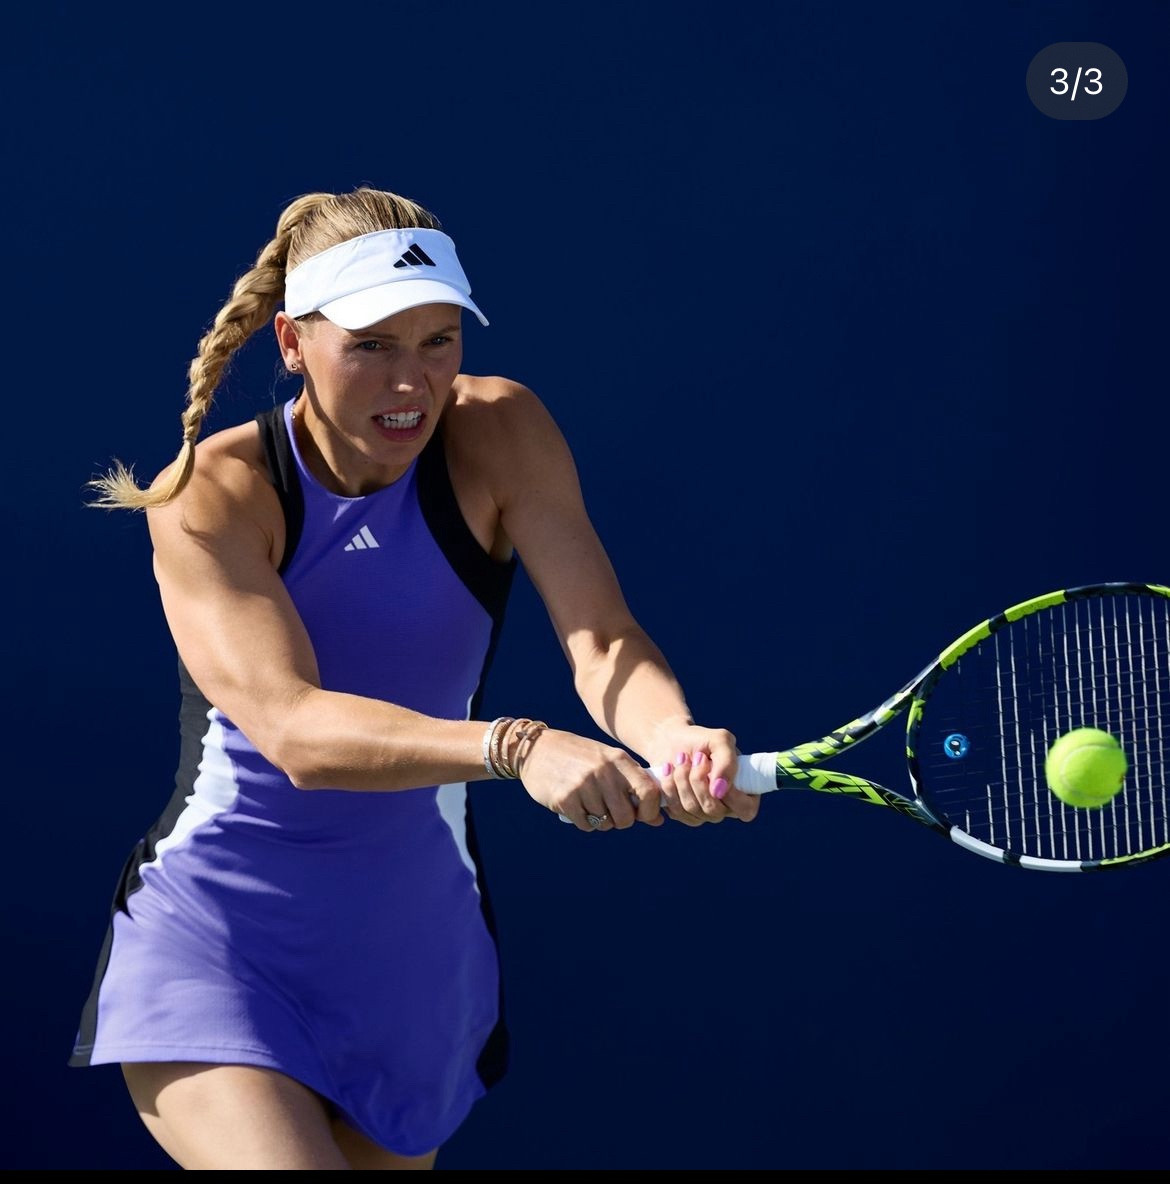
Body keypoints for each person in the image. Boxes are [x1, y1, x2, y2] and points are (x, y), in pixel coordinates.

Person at [68, 185, 761, 1170]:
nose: (412, 381)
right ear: (292, 342)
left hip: (414, 960)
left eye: (440, 340)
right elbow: (296, 729)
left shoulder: (502, 430)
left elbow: (604, 641)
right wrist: (517, 745)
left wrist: (671, 735)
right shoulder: (213, 494)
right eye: (373, 345)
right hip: (220, 935)